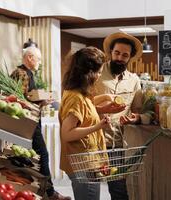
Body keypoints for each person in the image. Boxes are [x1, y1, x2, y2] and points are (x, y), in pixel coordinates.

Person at [11, 41, 71, 200]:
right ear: (29, 57)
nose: (39, 62)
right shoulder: (21, 74)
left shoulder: (27, 73)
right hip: (27, 123)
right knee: (42, 155)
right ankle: (50, 193)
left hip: (31, 122)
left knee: (36, 157)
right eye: (38, 58)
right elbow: (19, 101)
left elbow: (26, 99)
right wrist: (41, 103)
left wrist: (41, 102)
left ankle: (43, 192)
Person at [94, 32, 144, 200]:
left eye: (125, 55)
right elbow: (82, 105)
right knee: (90, 190)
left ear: (129, 58)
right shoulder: (96, 73)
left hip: (117, 143)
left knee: (119, 191)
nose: (120, 58)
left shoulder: (134, 80)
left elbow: (137, 109)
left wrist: (134, 118)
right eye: (117, 53)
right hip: (93, 141)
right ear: (110, 52)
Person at [59, 47, 113, 200]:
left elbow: (85, 109)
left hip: (84, 163)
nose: (100, 76)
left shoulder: (76, 92)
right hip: (83, 165)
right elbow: (67, 133)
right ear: (89, 73)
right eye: (99, 72)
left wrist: (105, 97)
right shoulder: (76, 98)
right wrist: (98, 126)